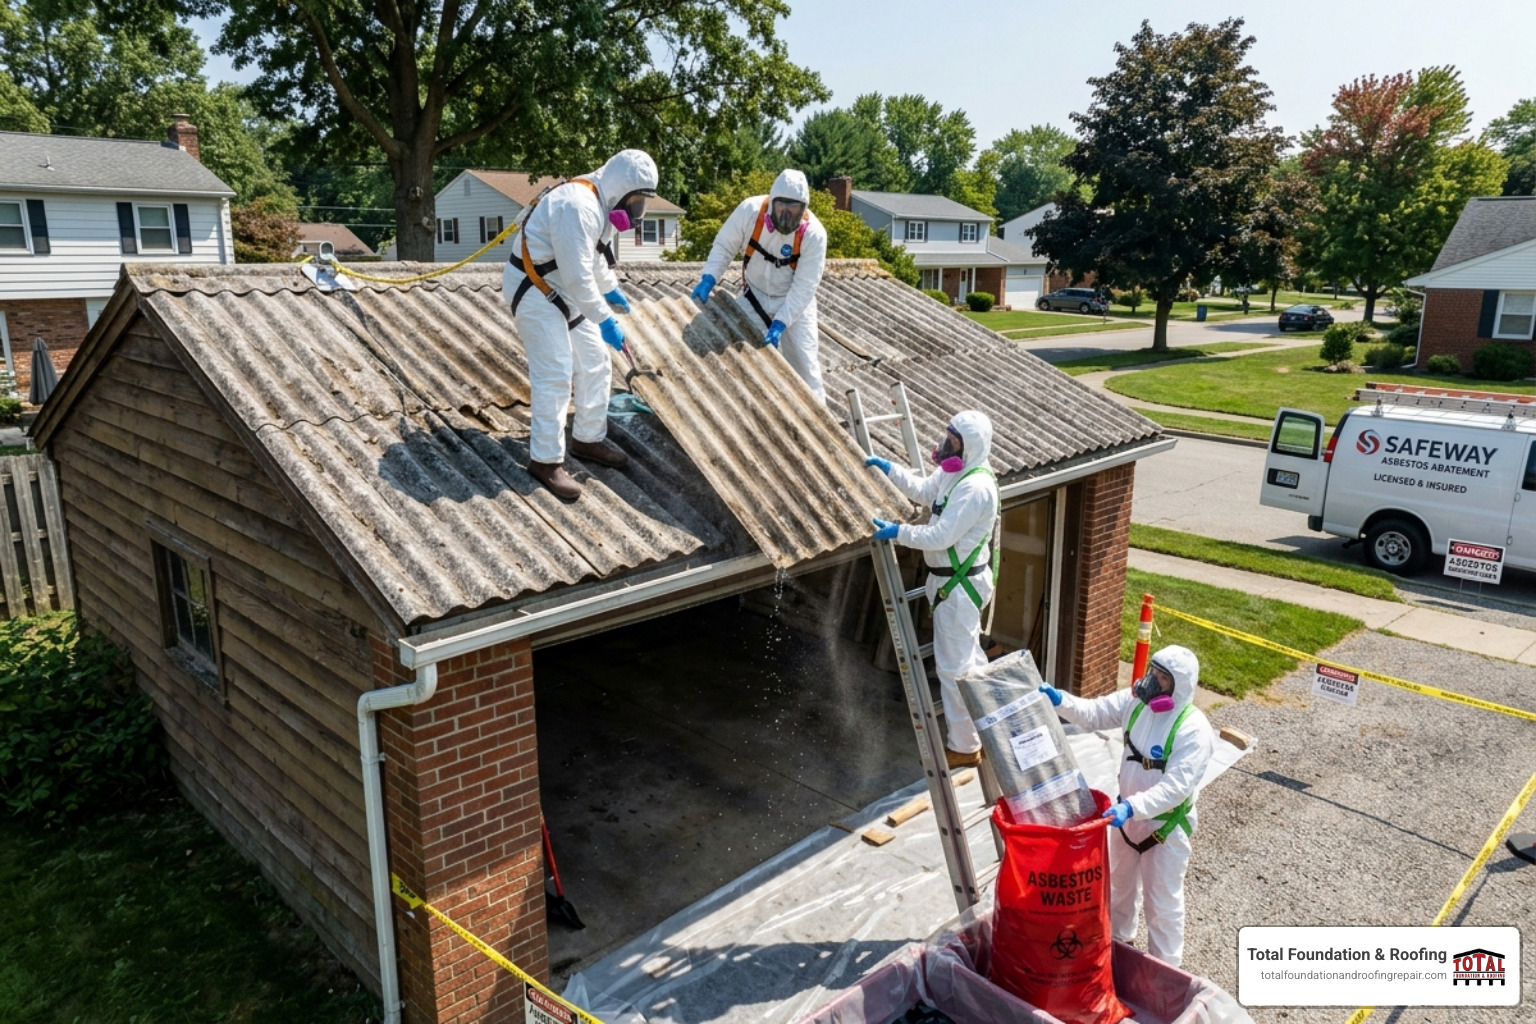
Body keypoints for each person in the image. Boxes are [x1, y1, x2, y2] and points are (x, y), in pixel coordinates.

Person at [1038, 646, 1214, 967]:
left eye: (1162, 679)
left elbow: (1175, 788)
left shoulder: (1193, 730)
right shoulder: (1136, 704)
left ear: (1179, 687)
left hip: (1164, 829)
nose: (1151, 682)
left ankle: (1166, 972)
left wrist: (1132, 807)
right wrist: (1060, 700)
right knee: (1119, 890)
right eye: (1153, 672)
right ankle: (1121, 948)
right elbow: (1094, 713)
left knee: (1162, 905)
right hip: (1126, 820)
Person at [503, 149, 659, 501]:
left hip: (563, 287)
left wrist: (612, 291)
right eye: (635, 203)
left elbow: (594, 258)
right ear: (620, 189)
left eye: (641, 204)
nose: (636, 213)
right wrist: (605, 318)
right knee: (556, 371)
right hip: (534, 287)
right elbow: (577, 275)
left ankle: (588, 438)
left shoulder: (601, 204)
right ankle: (545, 461)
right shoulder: (578, 206)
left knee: (596, 361)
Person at [864, 411, 999, 768]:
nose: (944, 446)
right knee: (968, 663)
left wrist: (899, 533)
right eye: (947, 436)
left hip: (958, 587)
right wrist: (888, 468)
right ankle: (983, 730)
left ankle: (965, 746)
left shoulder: (975, 488)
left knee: (954, 670)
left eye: (953, 441)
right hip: (950, 583)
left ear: (969, 447)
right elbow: (925, 491)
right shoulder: (955, 472)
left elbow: (940, 536)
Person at [689, 169, 828, 400]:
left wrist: (781, 322)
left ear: (804, 209)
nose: (786, 216)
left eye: (794, 210)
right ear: (772, 202)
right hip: (754, 296)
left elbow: (805, 286)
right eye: (782, 207)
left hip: (793, 301)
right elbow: (725, 246)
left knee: (806, 368)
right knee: (738, 355)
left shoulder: (814, 235)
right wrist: (709, 278)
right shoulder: (750, 211)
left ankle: (819, 424)